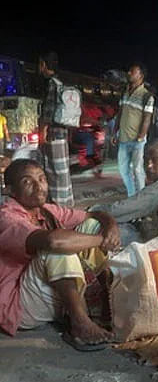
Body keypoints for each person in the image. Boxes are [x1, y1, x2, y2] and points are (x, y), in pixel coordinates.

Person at [0, 159, 120, 349]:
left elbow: (94, 215)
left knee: (91, 227)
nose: (38, 187)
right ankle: (80, 324)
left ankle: (103, 304)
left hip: (45, 295)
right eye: (27, 182)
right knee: (58, 247)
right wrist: (102, 240)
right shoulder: (7, 218)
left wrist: (110, 226)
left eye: (42, 179)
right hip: (21, 307)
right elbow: (53, 242)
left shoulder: (46, 210)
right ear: (10, 191)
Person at [89, 140, 158, 246]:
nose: (149, 166)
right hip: (153, 232)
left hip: (152, 239)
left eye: (155, 161)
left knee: (96, 228)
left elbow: (122, 209)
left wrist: (92, 211)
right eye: (146, 160)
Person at [38, 51, 74, 206]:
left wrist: (43, 131)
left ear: (44, 65)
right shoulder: (62, 82)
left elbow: (49, 109)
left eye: (40, 64)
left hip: (53, 133)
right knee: (62, 170)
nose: (39, 67)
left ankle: (59, 205)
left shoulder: (52, 84)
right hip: (62, 132)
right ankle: (66, 202)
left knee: (55, 170)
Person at [112, 62, 154, 197]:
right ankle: (132, 196)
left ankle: (140, 198)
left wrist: (141, 137)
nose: (129, 73)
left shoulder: (147, 96)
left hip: (137, 140)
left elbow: (147, 118)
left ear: (141, 75)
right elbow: (120, 114)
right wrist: (115, 132)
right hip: (124, 138)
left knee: (137, 170)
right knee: (123, 170)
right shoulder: (125, 93)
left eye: (133, 71)